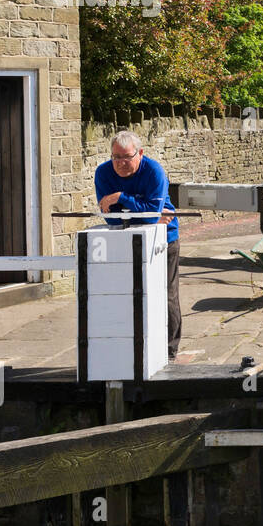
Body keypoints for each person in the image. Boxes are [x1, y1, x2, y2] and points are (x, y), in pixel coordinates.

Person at [94, 131, 182, 361]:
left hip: (163, 239)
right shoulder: (103, 173)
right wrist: (141, 212)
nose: (120, 163)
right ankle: (133, 346)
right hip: (122, 239)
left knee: (167, 294)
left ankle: (170, 350)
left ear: (140, 153)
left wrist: (121, 198)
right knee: (129, 293)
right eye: (115, 157)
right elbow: (110, 218)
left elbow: (153, 218)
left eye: (126, 157)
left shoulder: (154, 172)